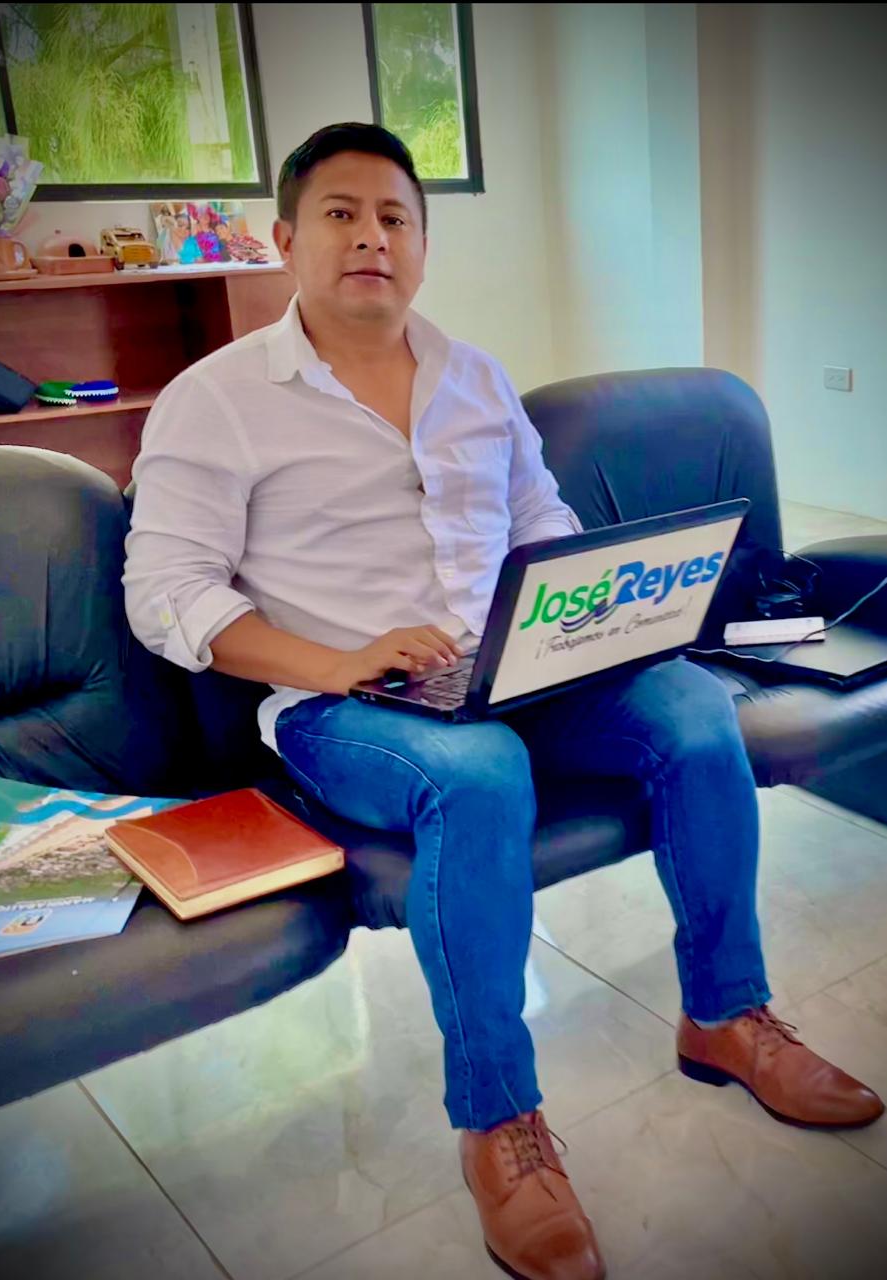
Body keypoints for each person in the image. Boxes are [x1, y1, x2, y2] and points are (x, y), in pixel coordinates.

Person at [123, 123, 884, 1280]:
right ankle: (499, 1119)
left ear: (423, 245)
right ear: (284, 239)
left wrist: (590, 611)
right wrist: (339, 660)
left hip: (513, 668)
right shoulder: (214, 399)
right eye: (340, 214)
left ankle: (727, 1014)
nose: (371, 237)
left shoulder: (473, 377)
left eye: (395, 217)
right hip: (343, 703)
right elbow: (165, 592)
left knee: (690, 710)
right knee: (478, 774)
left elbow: (542, 522)